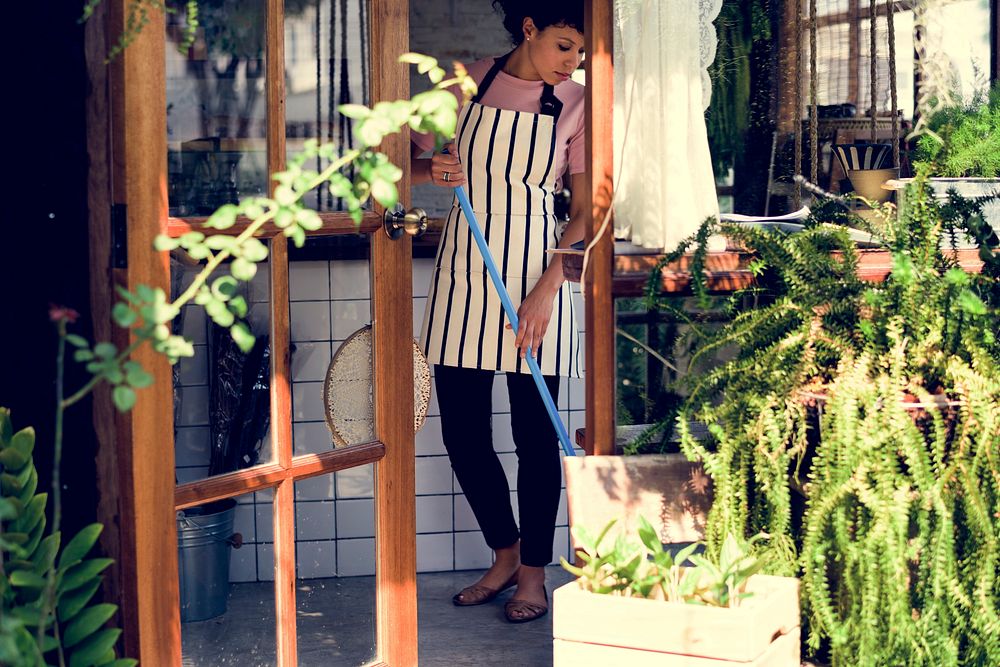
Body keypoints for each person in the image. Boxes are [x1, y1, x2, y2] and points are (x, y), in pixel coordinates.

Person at [411, 0, 585, 624]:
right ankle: (505, 553)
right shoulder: (467, 81)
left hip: (538, 274)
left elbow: (589, 208)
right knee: (462, 433)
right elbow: (400, 162)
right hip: (465, 272)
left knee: (535, 438)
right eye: (565, 45)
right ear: (531, 29)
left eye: (582, 52)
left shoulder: (577, 103)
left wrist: (547, 287)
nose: (574, 62)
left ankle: (535, 575)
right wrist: (426, 166)